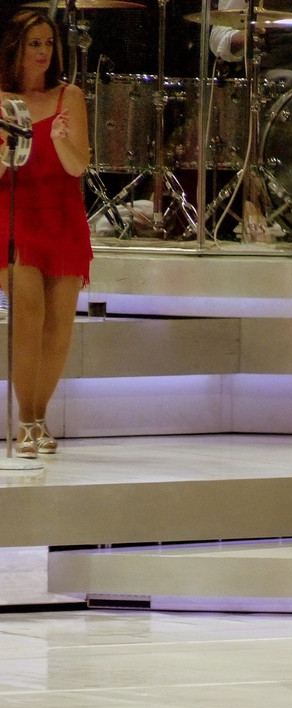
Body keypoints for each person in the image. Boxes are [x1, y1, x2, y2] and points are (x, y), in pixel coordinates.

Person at [0, 11, 92, 459]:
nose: (42, 52)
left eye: (48, 43)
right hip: (15, 214)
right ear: (15, 48)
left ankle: (37, 417)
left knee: (59, 325)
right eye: (34, 43)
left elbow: (78, 166)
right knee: (28, 314)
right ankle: (24, 421)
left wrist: (58, 140)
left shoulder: (69, 96)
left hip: (63, 216)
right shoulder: (1, 101)